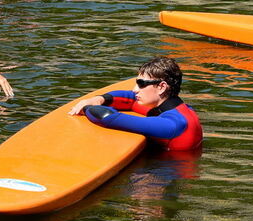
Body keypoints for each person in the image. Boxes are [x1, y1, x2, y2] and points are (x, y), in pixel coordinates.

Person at [69, 57, 202, 151]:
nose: (135, 89)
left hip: (165, 181)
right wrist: (100, 99)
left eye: (141, 84)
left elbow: (108, 118)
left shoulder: (172, 124)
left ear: (162, 87)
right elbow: (130, 99)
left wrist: (86, 107)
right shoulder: (178, 110)